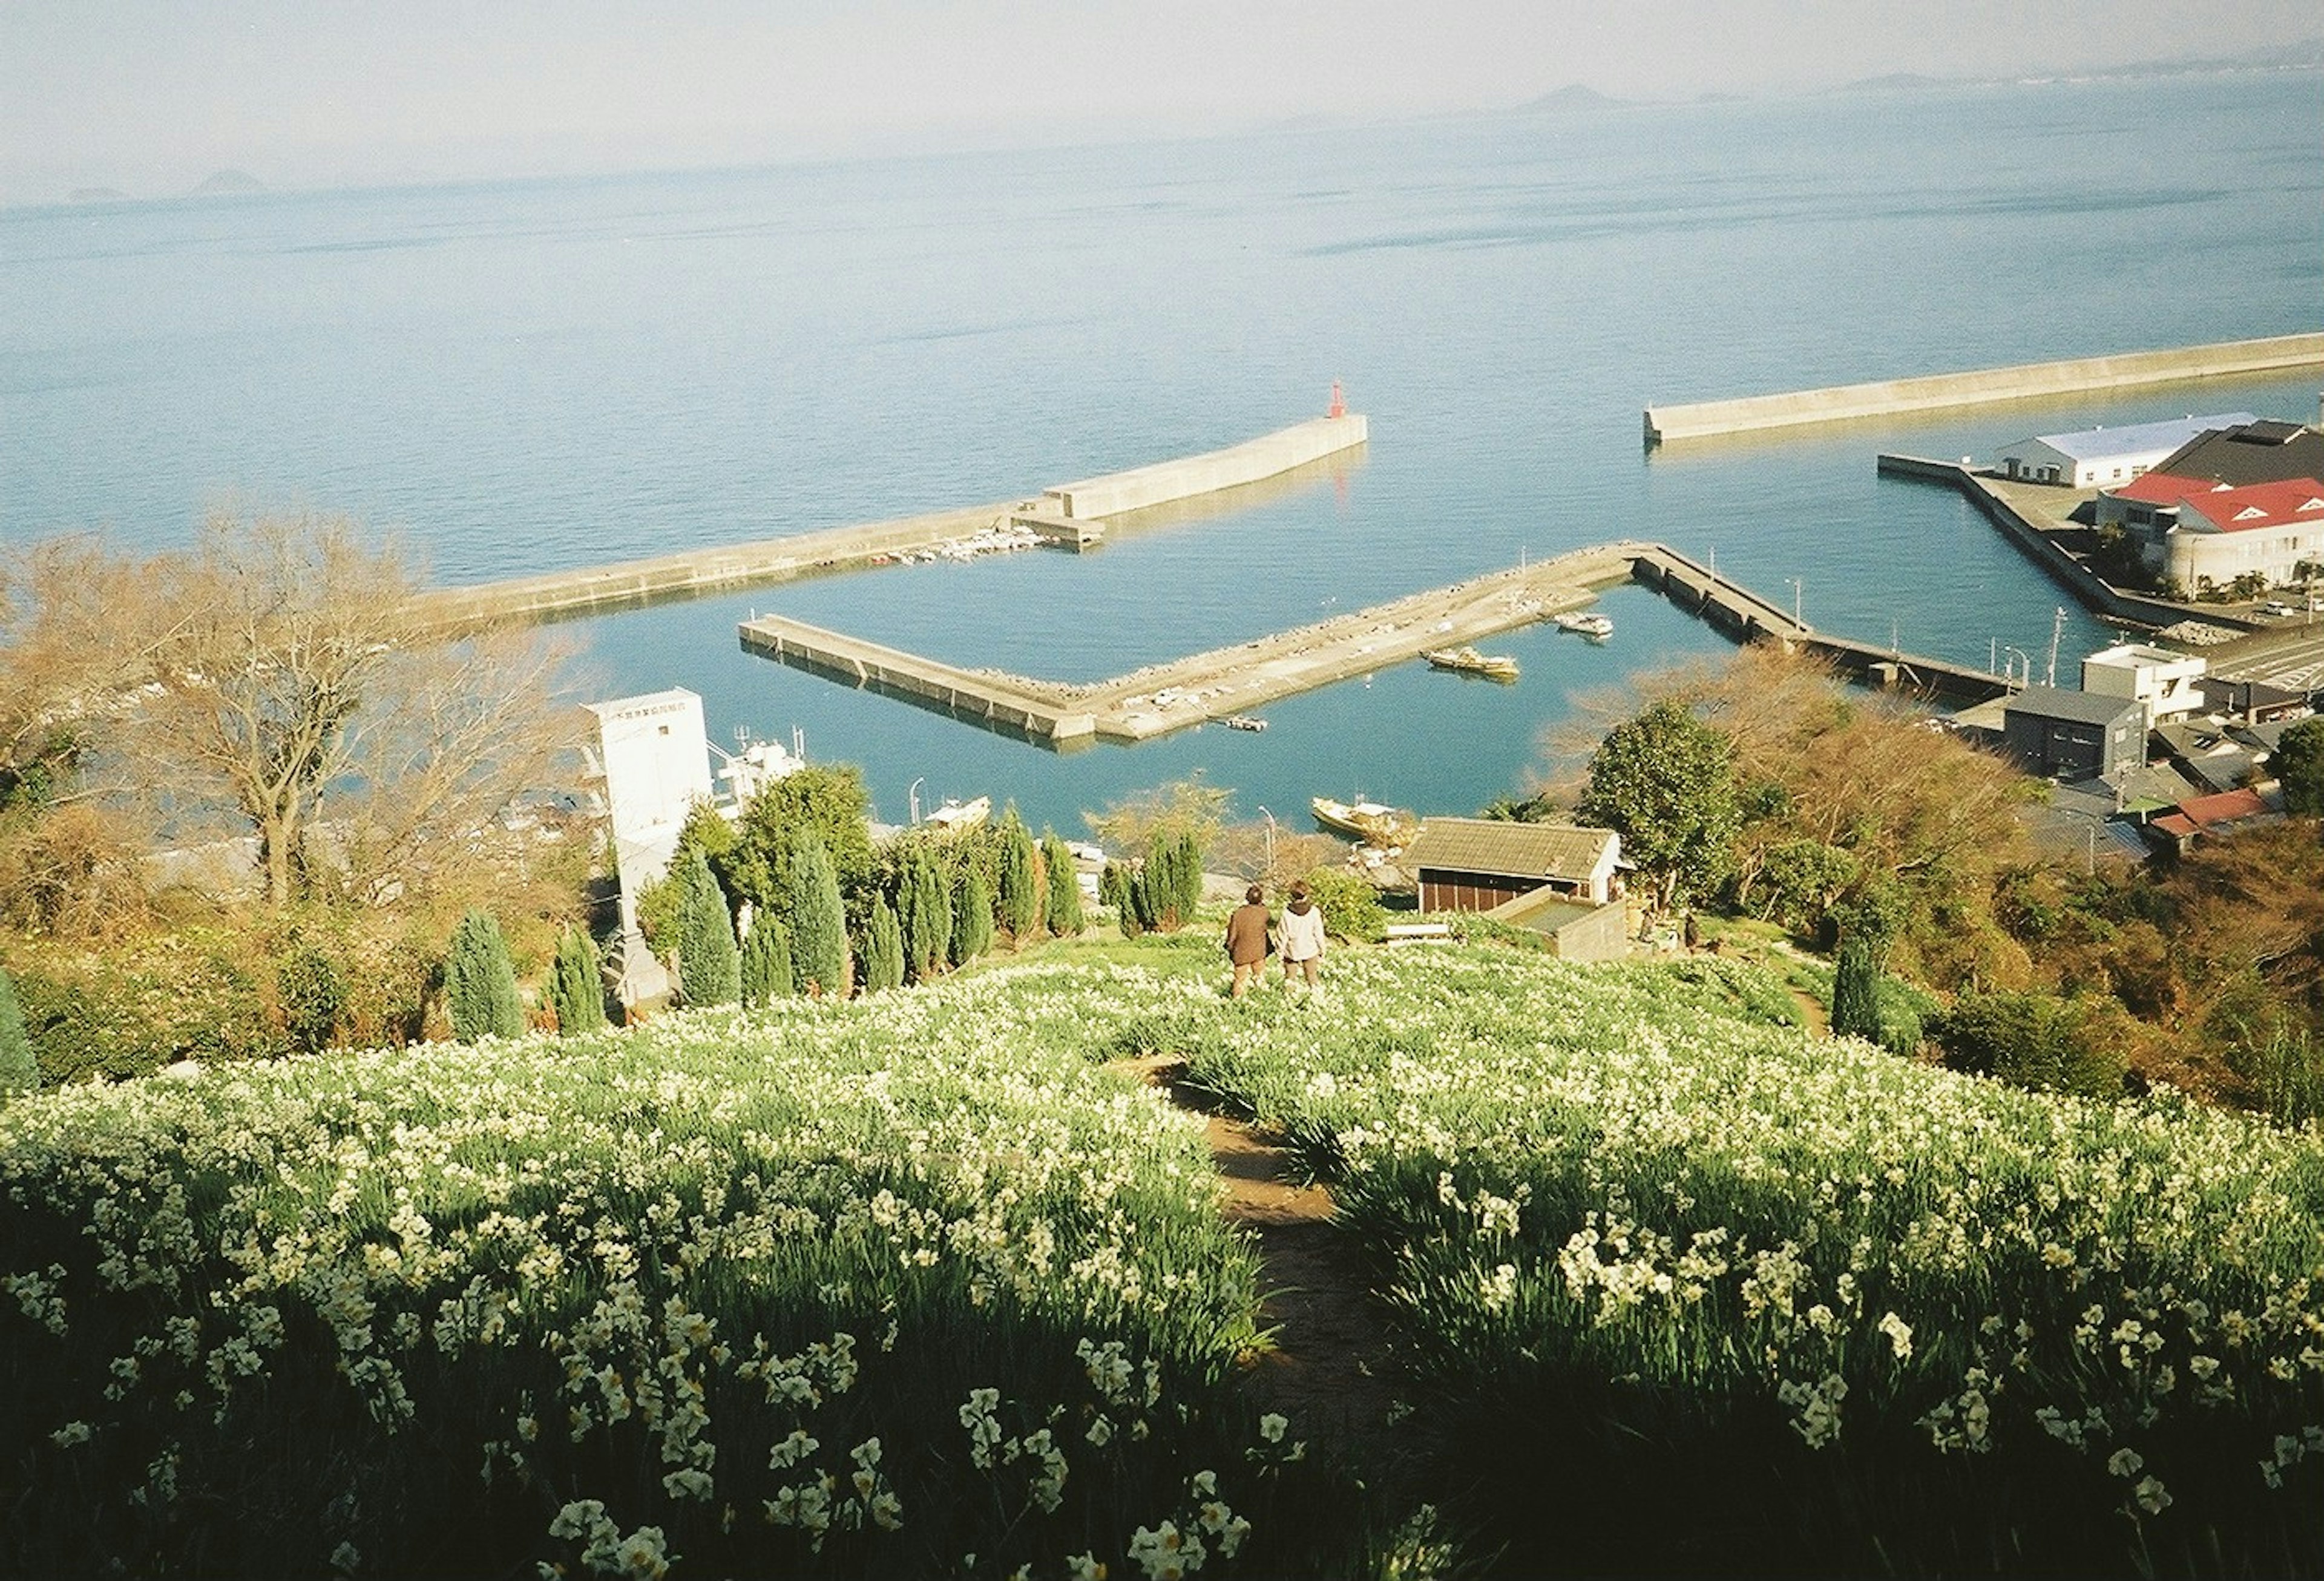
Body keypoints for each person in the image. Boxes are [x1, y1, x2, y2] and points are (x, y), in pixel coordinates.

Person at [1223, 883, 1272, 998]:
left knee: (1240, 980)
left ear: (1247, 898)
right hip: (1259, 951)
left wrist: (1230, 947)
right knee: (1259, 977)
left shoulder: (1238, 914)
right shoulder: (1264, 912)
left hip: (1241, 952)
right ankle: (1261, 998)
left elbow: (1232, 935)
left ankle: (1237, 1001)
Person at [1279, 879, 1326, 987]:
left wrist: (1280, 952)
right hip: (1310, 949)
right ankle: (1316, 998)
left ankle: (1289, 1000)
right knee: (1312, 977)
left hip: (1292, 951)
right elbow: (1318, 933)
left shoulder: (1287, 913)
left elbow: (1282, 935)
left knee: (1290, 979)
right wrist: (1322, 948)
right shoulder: (1314, 912)